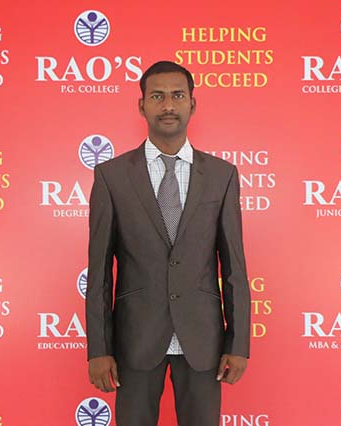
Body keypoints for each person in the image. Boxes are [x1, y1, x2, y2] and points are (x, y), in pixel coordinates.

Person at [85, 60, 251, 426]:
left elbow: (234, 268)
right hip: (135, 339)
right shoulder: (112, 177)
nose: (168, 106)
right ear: (141, 105)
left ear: (193, 103)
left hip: (203, 340)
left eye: (177, 95)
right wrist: (99, 349)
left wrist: (238, 343)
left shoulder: (222, 176)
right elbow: (99, 272)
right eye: (157, 96)